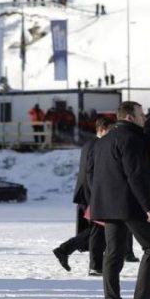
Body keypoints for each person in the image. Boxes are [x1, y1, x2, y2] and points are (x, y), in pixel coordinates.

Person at [88, 101, 150, 299]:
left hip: (110, 206)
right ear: (130, 117)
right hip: (132, 206)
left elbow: (96, 175)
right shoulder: (133, 138)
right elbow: (135, 175)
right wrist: (148, 206)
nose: (144, 118)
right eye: (141, 114)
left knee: (113, 254)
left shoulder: (104, 140)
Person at [53, 117, 111, 275]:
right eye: (111, 130)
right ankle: (90, 263)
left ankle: (67, 251)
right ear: (102, 129)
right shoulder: (98, 145)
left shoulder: (89, 144)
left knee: (96, 229)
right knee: (98, 229)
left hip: (87, 192)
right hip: (91, 193)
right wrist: (97, 195)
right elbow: (91, 172)